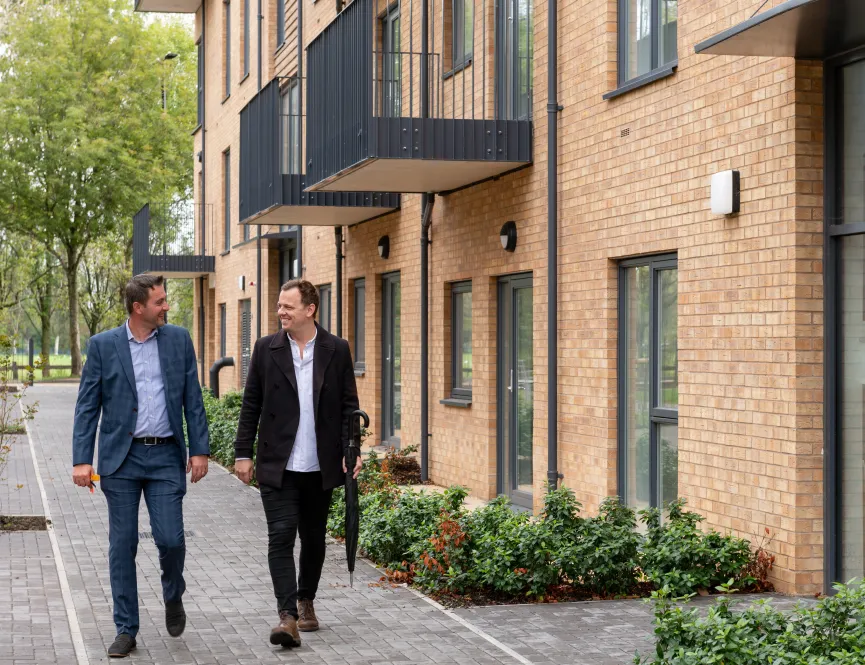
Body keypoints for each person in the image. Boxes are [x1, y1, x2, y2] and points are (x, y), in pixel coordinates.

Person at [72, 274, 210, 659]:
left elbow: (193, 399)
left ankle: (173, 594)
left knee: (170, 539)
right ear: (138, 308)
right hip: (122, 459)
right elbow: (87, 406)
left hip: (166, 456)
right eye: (160, 301)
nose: (167, 306)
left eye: (165, 300)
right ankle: (126, 628)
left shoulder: (179, 340)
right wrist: (82, 459)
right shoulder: (102, 346)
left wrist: (200, 450)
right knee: (123, 544)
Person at [234, 279, 360, 648]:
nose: (280, 312)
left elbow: (348, 407)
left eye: (288, 306)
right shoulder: (266, 349)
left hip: (319, 465)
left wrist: (351, 451)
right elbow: (251, 406)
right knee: (281, 536)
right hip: (278, 463)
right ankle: (286, 616)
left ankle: (306, 599)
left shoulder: (336, 350)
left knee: (314, 538)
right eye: (278, 306)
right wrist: (244, 453)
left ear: (310, 310)